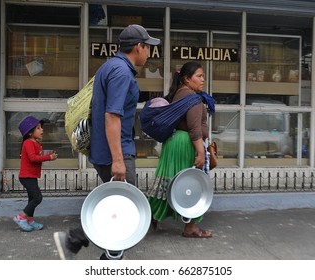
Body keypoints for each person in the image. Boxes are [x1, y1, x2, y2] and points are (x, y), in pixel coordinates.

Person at [53, 24, 160, 260]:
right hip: (116, 152)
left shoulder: (110, 67)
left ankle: (86, 248)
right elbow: (112, 116)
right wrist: (119, 160)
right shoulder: (121, 73)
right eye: (148, 47)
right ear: (138, 47)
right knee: (125, 208)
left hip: (105, 149)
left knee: (117, 206)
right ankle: (80, 245)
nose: (150, 52)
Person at [146, 61, 214, 238]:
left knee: (168, 182)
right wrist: (200, 152)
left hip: (174, 142)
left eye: (203, 76)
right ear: (186, 78)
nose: (203, 79)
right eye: (199, 76)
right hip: (187, 144)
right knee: (195, 184)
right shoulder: (192, 97)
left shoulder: (180, 93)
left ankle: (151, 214)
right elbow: (194, 128)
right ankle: (190, 228)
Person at [13, 116, 58, 232]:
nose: (42, 130)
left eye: (41, 128)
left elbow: (36, 156)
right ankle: (21, 217)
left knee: (31, 198)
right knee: (37, 198)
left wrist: (46, 155)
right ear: (29, 133)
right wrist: (49, 157)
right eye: (38, 128)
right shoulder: (28, 143)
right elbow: (33, 158)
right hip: (26, 176)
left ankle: (30, 220)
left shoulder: (36, 143)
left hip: (31, 176)